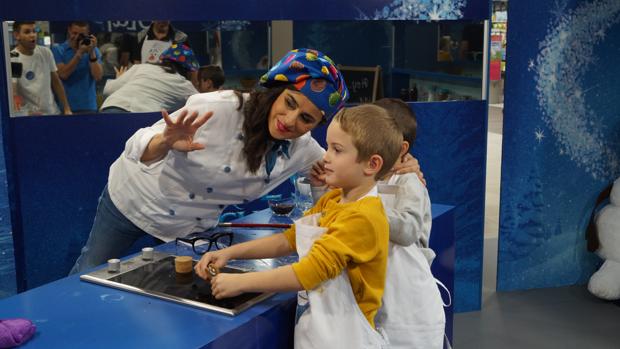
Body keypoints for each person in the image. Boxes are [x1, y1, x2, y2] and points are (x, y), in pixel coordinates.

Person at [69, 48, 421, 274]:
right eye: (290, 102)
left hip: (187, 228)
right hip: (132, 202)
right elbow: (136, 146)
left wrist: (400, 167)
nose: (291, 121)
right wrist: (165, 141)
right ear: (275, 90)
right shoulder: (218, 108)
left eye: (307, 119)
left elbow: (350, 167)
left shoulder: (302, 148)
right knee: (86, 276)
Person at [195, 104, 403, 348]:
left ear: (372, 164)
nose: (325, 156)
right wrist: (228, 253)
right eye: (327, 147)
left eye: (337, 150)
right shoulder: (333, 199)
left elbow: (309, 273)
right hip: (320, 329)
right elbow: (290, 240)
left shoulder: (363, 217)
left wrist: (241, 282)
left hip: (347, 337)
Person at [372, 98, 446, 348]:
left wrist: (363, 210)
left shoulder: (409, 182)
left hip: (408, 302)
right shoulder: (364, 176)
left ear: (401, 147)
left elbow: (408, 230)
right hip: (378, 295)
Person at [100, 43, 199, 113]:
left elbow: (108, 90)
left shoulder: (142, 67)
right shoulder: (184, 85)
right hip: (139, 115)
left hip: (110, 107)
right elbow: (202, 104)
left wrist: (119, 79)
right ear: (188, 69)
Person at [10, 21, 71, 116]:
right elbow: (14, 91)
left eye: (34, 31)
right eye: (27, 32)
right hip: (30, 117)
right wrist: (24, 113)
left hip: (53, 113)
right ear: (17, 35)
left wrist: (67, 108)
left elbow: (56, 82)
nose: (32, 35)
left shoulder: (46, 52)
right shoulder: (13, 58)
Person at [52, 21, 103, 113]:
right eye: (74, 33)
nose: (77, 37)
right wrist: (79, 53)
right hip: (67, 108)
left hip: (89, 107)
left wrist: (91, 52)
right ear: (69, 30)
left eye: (81, 35)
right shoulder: (58, 50)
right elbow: (63, 74)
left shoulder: (94, 51)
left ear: (88, 34)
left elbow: (98, 76)